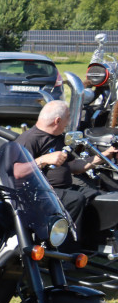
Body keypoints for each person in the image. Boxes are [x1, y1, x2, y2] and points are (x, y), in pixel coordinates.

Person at [15, 100, 118, 245]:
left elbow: (74, 166)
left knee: (98, 197)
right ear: (57, 120)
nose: (68, 122)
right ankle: (65, 250)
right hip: (39, 192)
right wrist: (43, 160)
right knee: (75, 199)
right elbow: (17, 171)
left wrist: (104, 156)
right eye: (67, 118)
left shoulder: (58, 138)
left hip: (63, 188)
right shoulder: (29, 139)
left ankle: (93, 242)